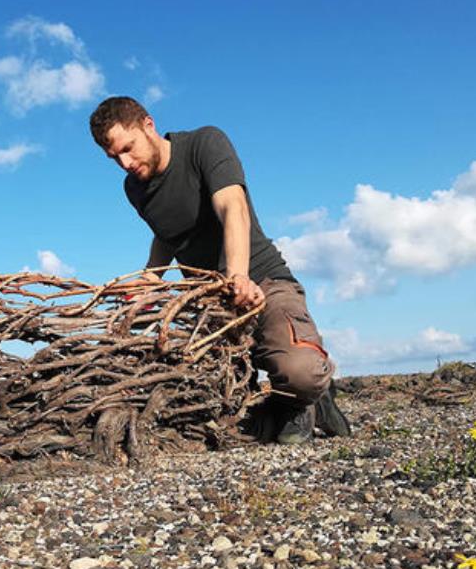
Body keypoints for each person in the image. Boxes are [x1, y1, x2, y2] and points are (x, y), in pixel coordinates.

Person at [89, 96, 350, 444]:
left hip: (262, 281)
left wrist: (238, 276)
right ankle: (282, 404)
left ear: (148, 125)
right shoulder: (134, 188)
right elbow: (166, 234)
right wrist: (150, 279)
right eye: (114, 158)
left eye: (128, 148)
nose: (125, 163)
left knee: (301, 373)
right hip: (209, 305)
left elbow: (233, 208)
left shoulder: (204, 144)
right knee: (207, 412)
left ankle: (308, 395)